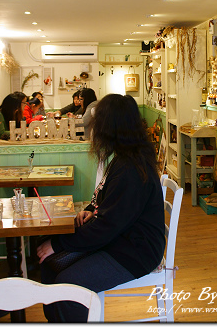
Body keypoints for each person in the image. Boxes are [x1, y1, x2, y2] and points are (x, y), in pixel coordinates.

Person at [37, 94, 165, 322]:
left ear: (111, 127)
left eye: (99, 123)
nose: (94, 129)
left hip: (135, 252)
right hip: (120, 240)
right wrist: (91, 208)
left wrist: (58, 244)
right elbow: (109, 204)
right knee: (50, 265)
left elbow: (107, 226)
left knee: (68, 286)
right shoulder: (125, 158)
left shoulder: (131, 169)